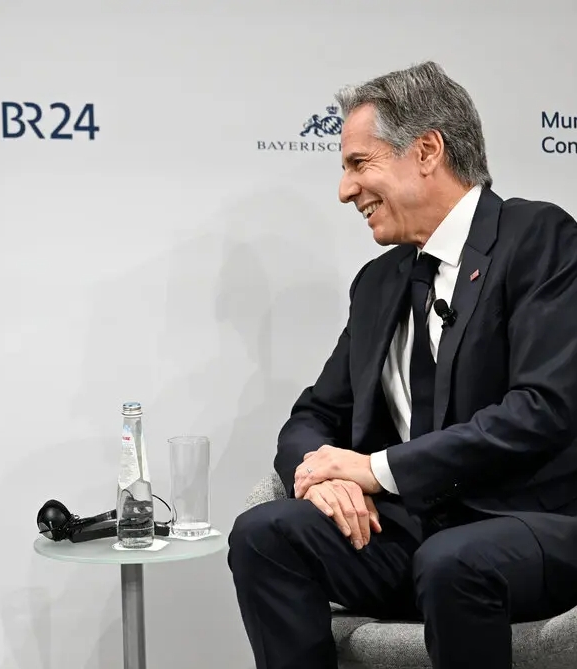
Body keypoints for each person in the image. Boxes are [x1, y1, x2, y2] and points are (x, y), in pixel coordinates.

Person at [228, 61, 577, 669]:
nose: (345, 190)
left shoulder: (538, 237)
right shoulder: (379, 282)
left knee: (452, 562)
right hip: (414, 531)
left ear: (427, 151)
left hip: (531, 523)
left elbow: (540, 411)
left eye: (358, 164)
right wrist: (325, 478)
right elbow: (312, 416)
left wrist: (375, 470)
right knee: (263, 533)